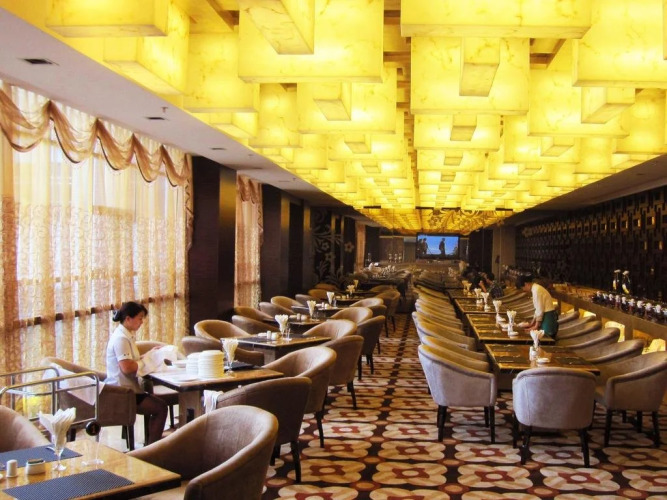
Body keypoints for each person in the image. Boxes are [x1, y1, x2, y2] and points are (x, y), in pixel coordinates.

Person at [106, 301, 167, 444]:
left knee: (158, 404)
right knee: (161, 408)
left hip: (127, 388)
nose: (142, 322)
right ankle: (153, 448)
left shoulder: (125, 335)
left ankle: (152, 444)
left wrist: (149, 355)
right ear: (128, 319)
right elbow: (127, 367)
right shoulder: (121, 339)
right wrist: (146, 362)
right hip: (123, 392)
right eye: (140, 318)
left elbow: (132, 360)